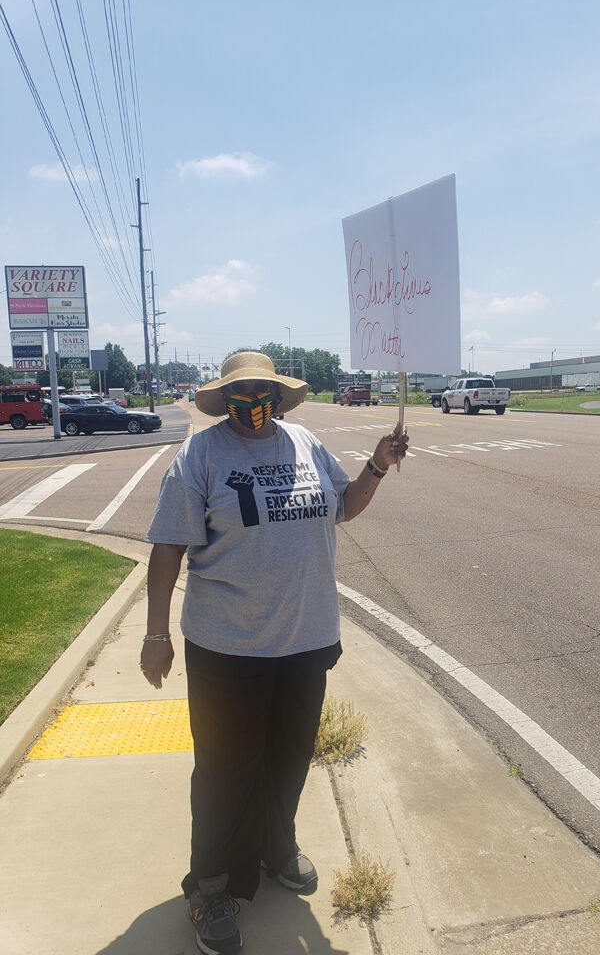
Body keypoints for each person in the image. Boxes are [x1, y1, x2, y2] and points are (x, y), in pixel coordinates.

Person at [140, 350, 408, 954]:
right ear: (225, 398)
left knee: (287, 758)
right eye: (242, 390)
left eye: (263, 388)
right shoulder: (200, 456)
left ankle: (275, 848)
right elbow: (166, 549)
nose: (253, 399)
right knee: (224, 771)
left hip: (305, 639)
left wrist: (377, 466)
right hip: (227, 647)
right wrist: (157, 634)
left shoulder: (305, 442)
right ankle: (210, 889)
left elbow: (342, 506)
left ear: (278, 394)